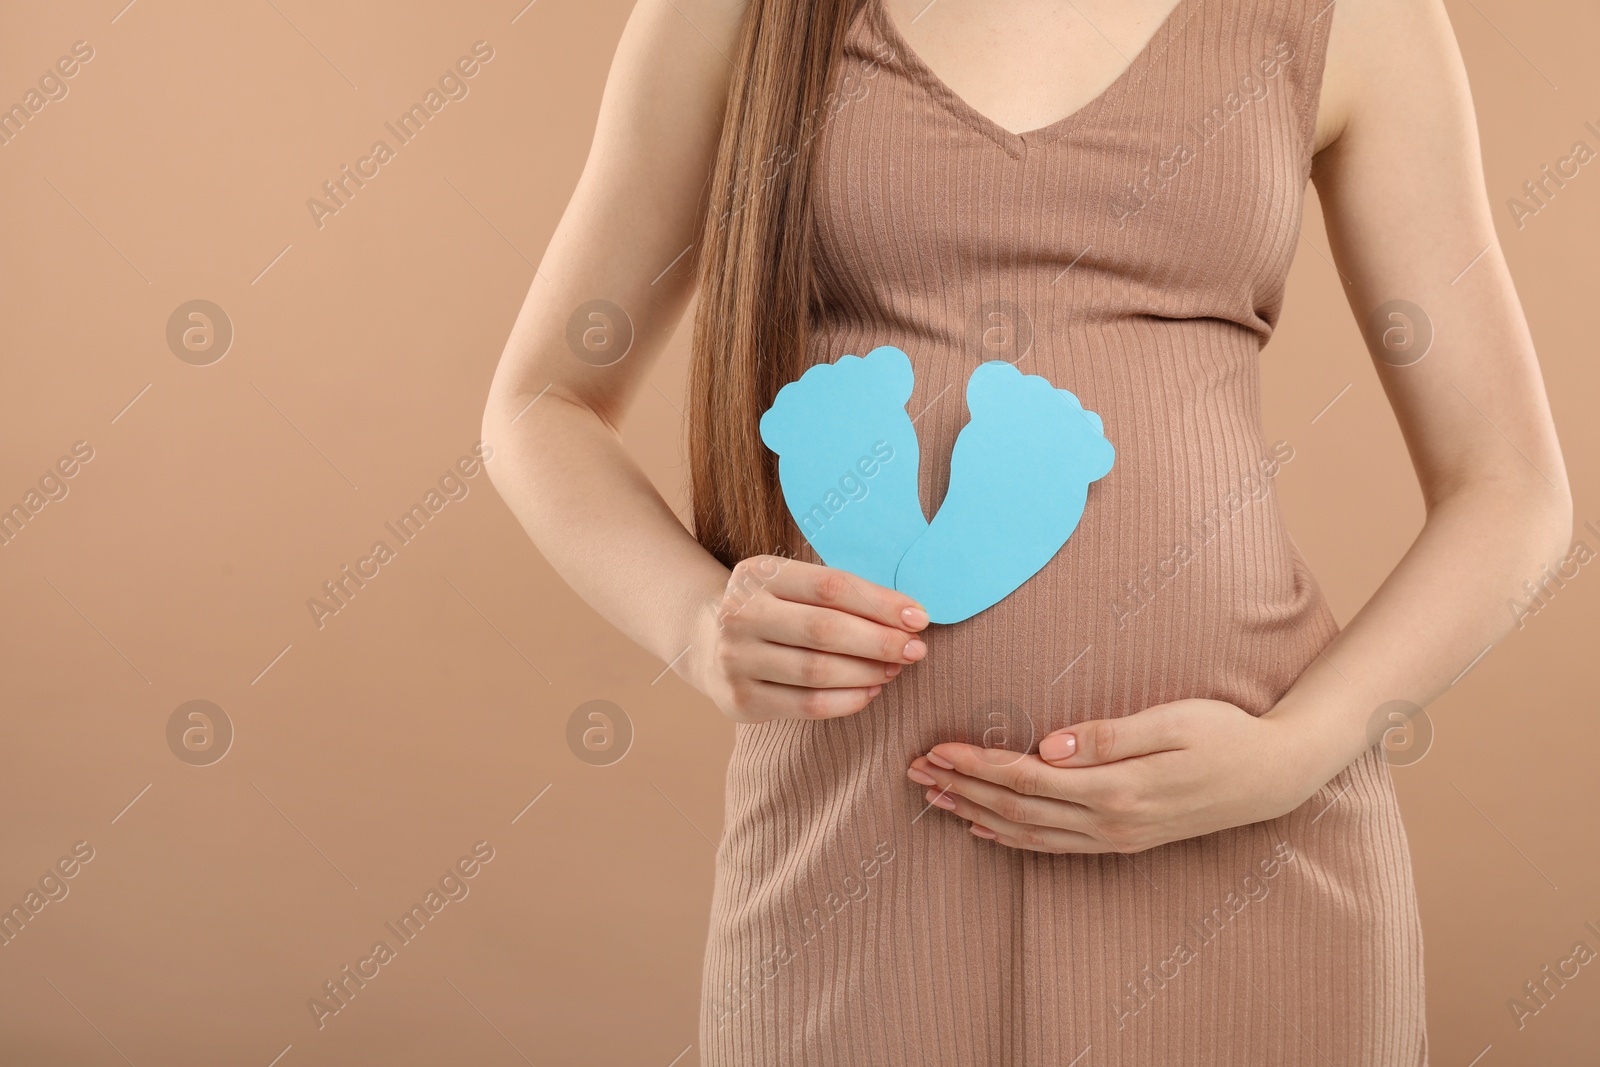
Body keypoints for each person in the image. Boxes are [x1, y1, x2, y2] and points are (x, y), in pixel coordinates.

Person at [482, 0, 1571, 1062]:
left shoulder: (1353, 16)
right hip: (851, 852)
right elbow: (539, 405)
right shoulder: (731, 14)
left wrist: (1290, 755)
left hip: (1242, 848)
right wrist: (691, 616)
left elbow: (1508, 486)